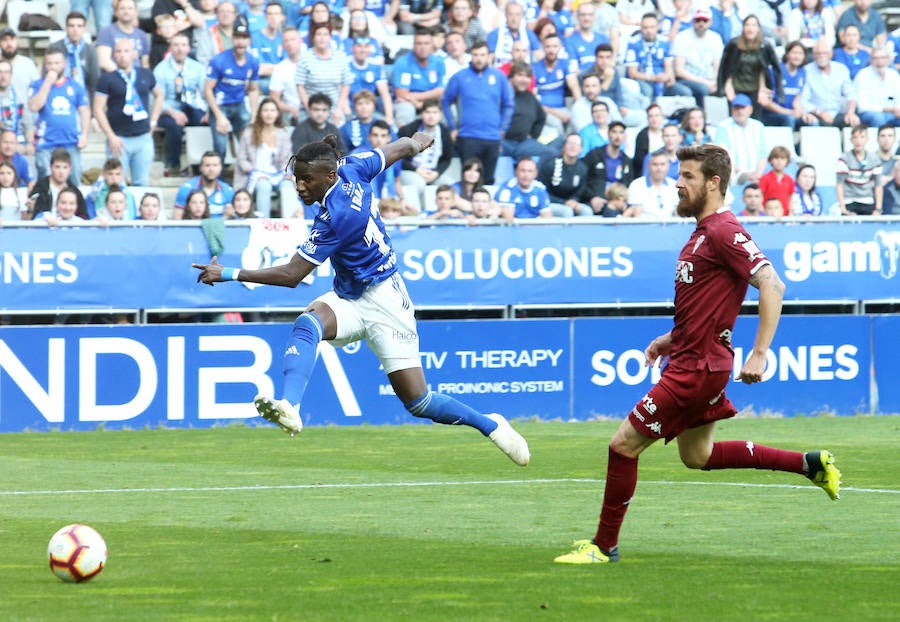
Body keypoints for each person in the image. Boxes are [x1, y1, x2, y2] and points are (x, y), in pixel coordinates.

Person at [554, 143, 841, 565]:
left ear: (714, 183)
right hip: (692, 358)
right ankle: (808, 464)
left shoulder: (725, 230)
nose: (678, 183)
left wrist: (760, 352)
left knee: (622, 447)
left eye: (687, 177)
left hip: (696, 370)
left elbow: (773, 285)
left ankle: (603, 546)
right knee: (697, 456)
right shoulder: (702, 233)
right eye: (679, 175)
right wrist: (674, 337)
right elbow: (709, 303)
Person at [192, 133, 530, 466]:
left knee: (419, 402)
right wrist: (418, 139)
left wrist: (229, 273)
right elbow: (398, 148)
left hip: (386, 300)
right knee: (308, 324)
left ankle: (491, 424)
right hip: (350, 296)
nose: (299, 187)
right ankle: (290, 405)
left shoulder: (337, 219)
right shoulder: (353, 166)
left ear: (328, 176)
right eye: (296, 179)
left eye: (306, 180)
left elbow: (293, 276)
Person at [442, 40, 515, 186]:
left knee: (488, 180)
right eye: (475, 55)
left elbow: (509, 104)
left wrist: (502, 128)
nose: (479, 58)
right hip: (468, 136)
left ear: (489, 56)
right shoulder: (460, 77)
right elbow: (445, 101)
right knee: (468, 179)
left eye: (482, 55)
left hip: (492, 136)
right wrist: (452, 127)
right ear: (470, 56)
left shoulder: (499, 77)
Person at [94, 38, 164, 187]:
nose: (122, 55)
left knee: (142, 182)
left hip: (143, 137)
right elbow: (98, 108)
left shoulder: (146, 74)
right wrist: (110, 135)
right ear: (114, 55)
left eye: (126, 51)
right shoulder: (107, 79)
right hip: (119, 139)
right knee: (116, 184)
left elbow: (159, 94)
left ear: (134, 54)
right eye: (118, 51)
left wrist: (154, 120)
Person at [27, 49, 90, 185]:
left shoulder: (75, 86)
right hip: (46, 142)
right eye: (49, 63)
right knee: (46, 181)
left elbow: (84, 110)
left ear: (64, 64)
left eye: (56, 63)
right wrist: (48, 83)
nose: (53, 67)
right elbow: (34, 106)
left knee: (75, 180)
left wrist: (84, 134)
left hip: (71, 141)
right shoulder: (37, 85)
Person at [204, 17, 260, 162]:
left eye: (244, 37)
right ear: (232, 38)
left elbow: (253, 89)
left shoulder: (253, 62)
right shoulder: (219, 60)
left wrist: (253, 115)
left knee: (248, 145)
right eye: (237, 37)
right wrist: (218, 116)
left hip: (239, 105)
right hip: (220, 105)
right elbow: (208, 89)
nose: (241, 41)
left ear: (249, 40)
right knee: (220, 147)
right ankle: (219, 181)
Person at [154, 32, 209, 176]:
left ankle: (199, 166)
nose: (180, 49)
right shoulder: (161, 70)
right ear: (170, 48)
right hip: (168, 110)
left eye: (183, 45)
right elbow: (158, 99)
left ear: (189, 48)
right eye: (176, 45)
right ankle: (174, 165)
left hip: (192, 107)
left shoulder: (198, 68)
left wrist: (208, 111)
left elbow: (206, 93)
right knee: (174, 125)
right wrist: (173, 113)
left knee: (200, 119)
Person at [234, 98, 296, 218]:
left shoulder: (283, 134)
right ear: (260, 113)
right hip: (255, 175)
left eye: (272, 110)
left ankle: (290, 223)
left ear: (277, 113)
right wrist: (254, 171)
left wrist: (286, 172)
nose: (269, 114)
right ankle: (263, 222)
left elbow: (286, 160)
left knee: (287, 186)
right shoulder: (249, 133)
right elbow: (241, 159)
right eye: (265, 110)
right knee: (264, 185)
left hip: (277, 174)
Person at [717, 15, 782, 119]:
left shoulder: (765, 46)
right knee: (736, 117)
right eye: (747, 25)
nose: (750, 28)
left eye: (753, 25)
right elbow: (725, 66)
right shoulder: (733, 44)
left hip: (756, 89)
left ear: (758, 28)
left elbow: (770, 68)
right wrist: (726, 86)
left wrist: (770, 90)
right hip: (736, 87)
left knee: (755, 119)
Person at [397, 98, 454, 204]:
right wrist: (417, 170)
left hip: (433, 172)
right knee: (419, 183)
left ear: (440, 115)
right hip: (411, 171)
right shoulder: (408, 130)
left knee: (449, 185)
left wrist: (437, 173)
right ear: (422, 114)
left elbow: (447, 159)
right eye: (427, 112)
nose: (431, 116)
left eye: (435, 112)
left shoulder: (445, 132)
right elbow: (399, 157)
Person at [296, 23, 353, 127]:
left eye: (325, 34)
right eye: (318, 34)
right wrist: (310, 110)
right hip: (310, 110)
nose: (322, 38)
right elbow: (300, 86)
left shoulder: (340, 57)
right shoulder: (305, 58)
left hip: (334, 110)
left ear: (330, 37)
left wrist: (339, 109)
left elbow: (346, 84)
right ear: (313, 37)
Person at [502, 62, 559, 162]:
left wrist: (533, 136)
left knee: (554, 154)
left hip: (524, 144)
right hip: (503, 143)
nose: (524, 80)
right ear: (511, 77)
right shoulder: (501, 95)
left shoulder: (531, 97)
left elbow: (541, 118)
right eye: (520, 75)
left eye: (527, 76)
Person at [625, 12, 690, 101]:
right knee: (648, 91)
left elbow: (668, 65)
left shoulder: (664, 41)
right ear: (641, 28)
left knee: (685, 92)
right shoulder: (633, 43)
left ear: (657, 27)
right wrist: (652, 77)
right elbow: (632, 73)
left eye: (652, 27)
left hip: (662, 79)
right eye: (645, 27)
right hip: (643, 79)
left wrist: (668, 76)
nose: (649, 31)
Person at [392, 28, 447, 128]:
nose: (423, 47)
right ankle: (404, 142)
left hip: (431, 103)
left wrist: (420, 101)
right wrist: (418, 104)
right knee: (405, 109)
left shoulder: (439, 62)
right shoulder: (403, 62)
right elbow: (401, 95)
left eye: (426, 43)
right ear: (413, 45)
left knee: (449, 109)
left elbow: (440, 91)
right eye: (419, 43)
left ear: (431, 45)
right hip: (408, 103)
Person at [672, 8, 724, 107]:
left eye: (705, 21)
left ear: (710, 22)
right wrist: (706, 83)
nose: (701, 23)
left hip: (710, 79)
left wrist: (715, 82)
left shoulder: (716, 38)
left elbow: (717, 65)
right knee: (702, 89)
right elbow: (679, 70)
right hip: (687, 79)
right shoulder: (682, 37)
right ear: (693, 21)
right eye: (698, 20)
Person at [581, 120, 634, 215]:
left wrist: (623, 200)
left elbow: (628, 184)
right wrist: (592, 197)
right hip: (596, 200)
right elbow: (582, 179)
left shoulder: (627, 160)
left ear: (625, 137)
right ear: (608, 134)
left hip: (618, 200)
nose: (618, 136)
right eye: (614, 132)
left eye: (621, 133)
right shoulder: (594, 155)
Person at [48, 11, 100, 100]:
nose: (75, 30)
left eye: (79, 26)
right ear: (66, 28)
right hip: (58, 96)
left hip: (83, 98)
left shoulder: (91, 50)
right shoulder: (54, 47)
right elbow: (47, 76)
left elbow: (94, 83)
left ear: (84, 28)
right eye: (71, 26)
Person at [538, 133, 591, 217]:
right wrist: (563, 202)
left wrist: (574, 201)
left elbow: (579, 192)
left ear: (581, 149)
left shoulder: (583, 168)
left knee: (586, 211)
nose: (573, 147)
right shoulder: (550, 165)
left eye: (576, 144)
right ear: (564, 146)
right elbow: (542, 190)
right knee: (567, 212)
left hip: (571, 203)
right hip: (550, 202)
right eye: (570, 143)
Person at [27, 148, 88, 220]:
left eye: (65, 167)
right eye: (57, 167)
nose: (61, 171)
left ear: (70, 169)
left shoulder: (75, 190)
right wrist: (31, 209)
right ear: (51, 167)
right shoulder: (40, 188)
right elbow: (34, 215)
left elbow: (84, 216)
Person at [836, 124, 883, 215]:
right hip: (849, 201)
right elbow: (839, 184)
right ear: (851, 140)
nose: (859, 141)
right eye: (855, 137)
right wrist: (843, 208)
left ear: (867, 139)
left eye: (862, 137)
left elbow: (878, 185)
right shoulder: (844, 159)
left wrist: (878, 209)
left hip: (867, 201)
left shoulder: (874, 159)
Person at [173, 151, 236, 218]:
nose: (211, 169)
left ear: (221, 168)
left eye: (215, 165)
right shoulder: (186, 189)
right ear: (200, 168)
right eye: (207, 165)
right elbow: (177, 221)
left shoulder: (228, 191)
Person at [760, 40, 807, 129]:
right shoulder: (774, 71)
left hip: (790, 113)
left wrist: (802, 113)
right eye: (794, 53)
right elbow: (766, 102)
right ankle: (787, 143)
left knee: (811, 122)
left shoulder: (802, 72)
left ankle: (798, 144)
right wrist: (788, 112)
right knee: (789, 119)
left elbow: (797, 100)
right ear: (787, 54)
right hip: (771, 114)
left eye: (800, 53)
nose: (797, 57)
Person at [95, 0, 151, 72]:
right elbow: (103, 61)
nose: (126, 11)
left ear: (136, 12)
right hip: (114, 77)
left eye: (130, 8)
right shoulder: (107, 32)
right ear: (116, 13)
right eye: (122, 8)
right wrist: (123, 76)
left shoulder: (142, 35)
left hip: (138, 78)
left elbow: (145, 64)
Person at [853, 47, 900, 128]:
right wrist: (888, 109)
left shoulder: (894, 75)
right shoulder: (863, 75)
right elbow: (863, 106)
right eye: (876, 58)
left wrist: (897, 109)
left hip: (892, 112)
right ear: (870, 60)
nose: (879, 61)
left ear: (888, 60)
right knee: (879, 118)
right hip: (869, 113)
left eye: (883, 58)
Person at [627, 149, 679, 218]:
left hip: (670, 227)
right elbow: (636, 214)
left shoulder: (674, 185)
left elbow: (677, 214)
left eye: (662, 164)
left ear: (668, 166)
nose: (659, 168)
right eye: (655, 164)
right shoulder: (637, 185)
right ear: (648, 166)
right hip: (644, 227)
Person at [269, 27, 305, 125]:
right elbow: (274, 99)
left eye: (293, 39)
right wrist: (292, 109)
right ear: (283, 45)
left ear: (300, 41)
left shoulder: (312, 61)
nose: (290, 43)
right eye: (286, 41)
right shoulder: (280, 68)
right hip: (295, 115)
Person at [758, 146, 796, 216]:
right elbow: (760, 198)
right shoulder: (765, 178)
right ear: (771, 160)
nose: (779, 162)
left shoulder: (790, 180)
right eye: (776, 158)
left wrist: (791, 212)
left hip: (785, 217)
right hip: (769, 216)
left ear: (787, 161)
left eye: (782, 158)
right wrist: (763, 215)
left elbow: (790, 199)